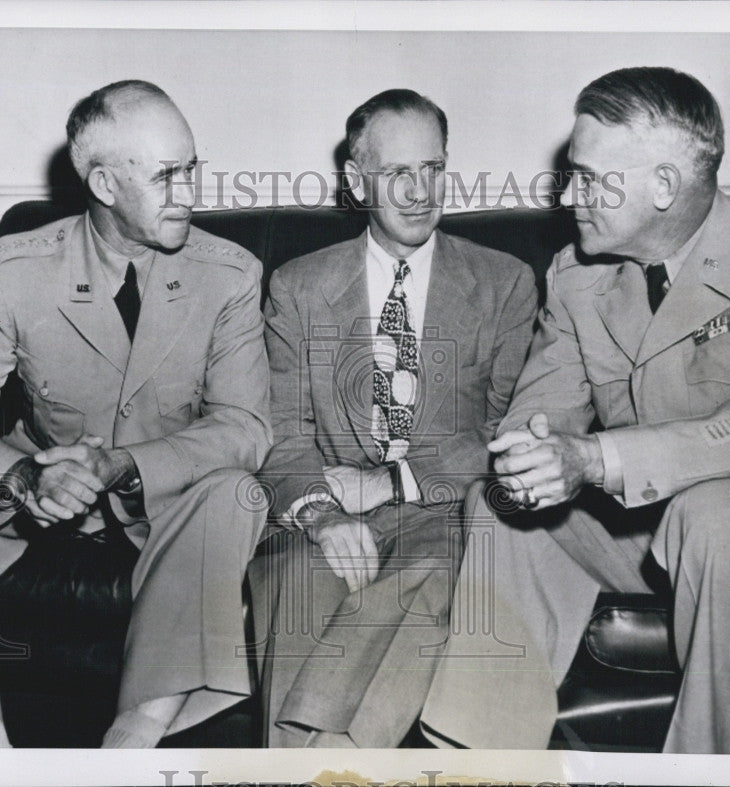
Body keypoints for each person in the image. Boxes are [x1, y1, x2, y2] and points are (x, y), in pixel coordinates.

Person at [421, 67, 730, 754]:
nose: (567, 194)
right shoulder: (578, 275)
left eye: (588, 177)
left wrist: (592, 458)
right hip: (645, 526)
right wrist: (537, 457)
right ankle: (477, 755)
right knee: (506, 500)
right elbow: (541, 416)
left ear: (664, 187)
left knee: (717, 516)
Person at [0, 80, 271, 748]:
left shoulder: (230, 275)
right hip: (31, 507)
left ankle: (135, 735)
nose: (191, 192)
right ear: (104, 184)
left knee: (236, 491)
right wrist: (23, 478)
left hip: (167, 512)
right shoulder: (14, 270)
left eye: (192, 169)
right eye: (167, 176)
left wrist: (125, 465)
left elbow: (245, 426)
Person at [250, 88, 538, 747]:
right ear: (357, 181)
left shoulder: (505, 282)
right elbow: (280, 435)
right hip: (326, 506)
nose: (419, 192)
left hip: (442, 510)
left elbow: (511, 432)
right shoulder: (297, 286)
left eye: (433, 170)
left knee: (430, 579)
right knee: (296, 590)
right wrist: (321, 514)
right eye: (396, 173)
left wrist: (394, 482)